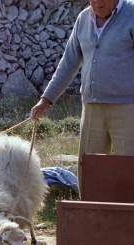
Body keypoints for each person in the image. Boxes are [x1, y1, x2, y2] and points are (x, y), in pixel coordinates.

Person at [30, 0, 134, 193]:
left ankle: (127, 218)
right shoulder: (83, 18)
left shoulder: (132, 14)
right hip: (92, 107)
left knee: (128, 168)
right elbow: (68, 63)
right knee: (89, 168)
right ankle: (90, 217)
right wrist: (46, 99)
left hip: (127, 107)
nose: (96, 3)